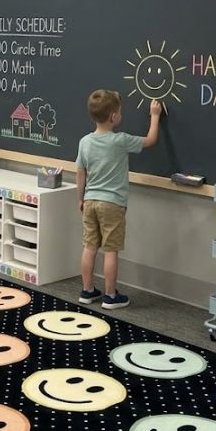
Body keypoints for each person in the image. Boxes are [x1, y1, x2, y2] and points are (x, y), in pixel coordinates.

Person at [76, 89, 162, 309]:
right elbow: (151, 140)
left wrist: (81, 199)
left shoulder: (84, 142)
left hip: (90, 200)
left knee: (89, 246)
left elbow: (80, 172)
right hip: (112, 203)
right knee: (110, 250)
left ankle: (86, 291)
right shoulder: (120, 140)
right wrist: (154, 115)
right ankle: (110, 295)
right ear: (114, 117)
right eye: (120, 112)